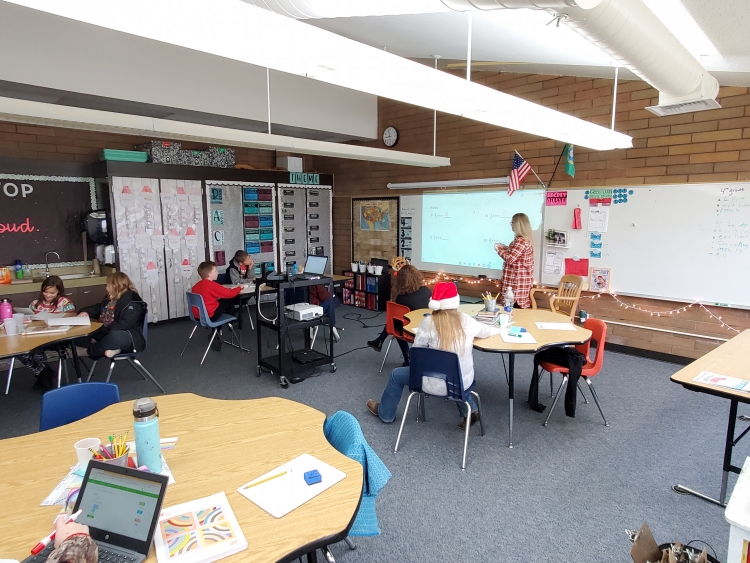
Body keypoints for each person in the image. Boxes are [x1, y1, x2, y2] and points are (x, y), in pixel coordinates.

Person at [366, 281, 501, 430]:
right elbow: (486, 332)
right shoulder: (466, 320)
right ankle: (470, 410)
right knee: (455, 374)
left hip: (428, 383)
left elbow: (416, 355)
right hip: (460, 384)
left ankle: (385, 414)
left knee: (396, 375)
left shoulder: (427, 323)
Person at [367, 264, 431, 367]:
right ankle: (380, 340)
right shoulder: (426, 291)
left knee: (395, 323)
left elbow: (397, 321)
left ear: (401, 280)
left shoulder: (401, 298)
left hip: (409, 332)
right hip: (427, 329)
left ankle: (406, 357)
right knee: (396, 321)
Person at [20, 275, 76, 391]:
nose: (48, 295)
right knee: (22, 350)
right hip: (37, 335)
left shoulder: (63, 302)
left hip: (57, 337)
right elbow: (28, 319)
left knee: (36, 348)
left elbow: (72, 317)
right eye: (45, 292)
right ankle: (44, 373)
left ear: (59, 291)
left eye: (52, 293)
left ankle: (44, 375)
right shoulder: (35, 303)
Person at [76, 272, 145, 360]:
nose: (106, 288)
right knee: (81, 334)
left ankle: (90, 351)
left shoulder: (133, 301)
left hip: (128, 335)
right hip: (107, 332)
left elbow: (124, 324)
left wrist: (102, 332)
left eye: (107, 285)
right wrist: (85, 312)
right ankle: (111, 349)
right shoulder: (111, 298)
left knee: (115, 337)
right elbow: (99, 308)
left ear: (115, 286)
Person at [191, 261, 242, 351]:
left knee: (219, 302)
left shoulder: (196, 286)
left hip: (198, 316)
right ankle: (232, 321)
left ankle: (216, 332)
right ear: (209, 274)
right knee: (227, 300)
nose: (217, 273)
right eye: (215, 271)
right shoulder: (211, 285)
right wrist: (239, 288)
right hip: (210, 317)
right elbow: (229, 294)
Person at [494, 212, 535, 309]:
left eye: (512, 223)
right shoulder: (520, 240)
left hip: (516, 286)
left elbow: (510, 259)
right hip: (515, 284)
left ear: (517, 224)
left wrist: (498, 249)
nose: (511, 225)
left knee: (514, 311)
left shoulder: (521, 241)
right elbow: (513, 254)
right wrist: (504, 247)